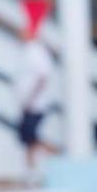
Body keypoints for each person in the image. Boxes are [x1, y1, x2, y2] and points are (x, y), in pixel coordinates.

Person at [14, 37, 60, 184]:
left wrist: (30, 99)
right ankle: (31, 173)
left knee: (32, 138)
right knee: (28, 140)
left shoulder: (36, 52)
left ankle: (58, 154)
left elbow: (42, 77)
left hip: (35, 105)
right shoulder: (31, 51)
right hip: (30, 104)